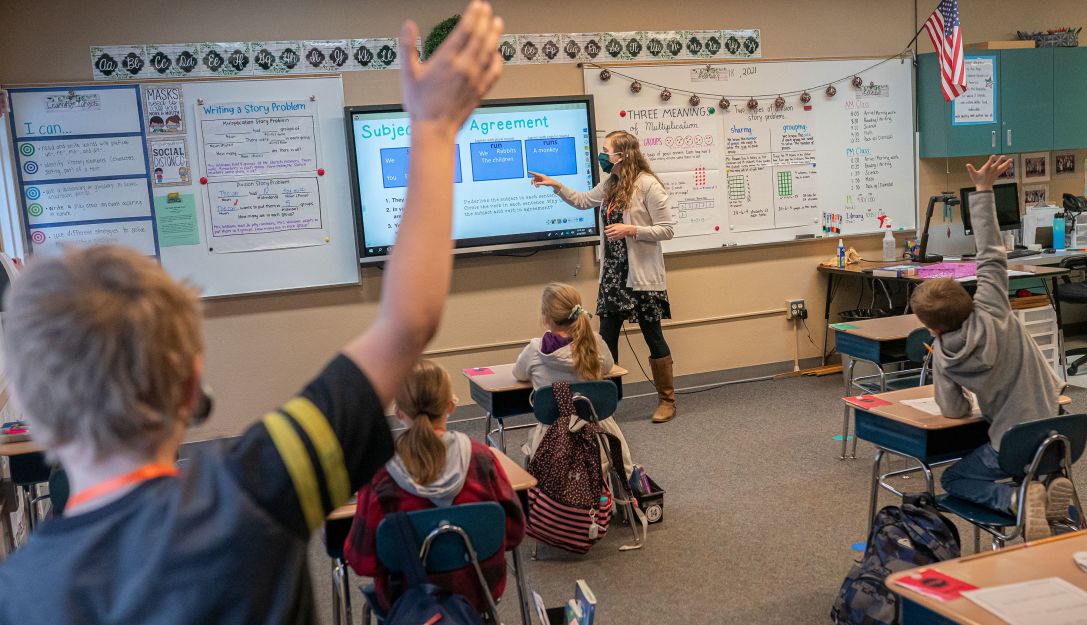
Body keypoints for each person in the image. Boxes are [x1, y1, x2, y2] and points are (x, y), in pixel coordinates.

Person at [0, 3, 504, 623]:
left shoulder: (15, 593)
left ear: (22, 400)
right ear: (191, 385)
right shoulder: (251, 489)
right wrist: (432, 129)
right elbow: (407, 323)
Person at [911, 155, 1070, 542]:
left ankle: (1016, 499)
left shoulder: (945, 358)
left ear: (932, 327)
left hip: (1011, 443)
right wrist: (983, 190)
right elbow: (990, 251)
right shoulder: (993, 305)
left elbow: (953, 410)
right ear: (969, 295)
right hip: (1061, 432)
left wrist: (964, 397)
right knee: (1038, 465)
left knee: (954, 478)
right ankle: (1047, 490)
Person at [344, 360, 524, 614]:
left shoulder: (379, 477)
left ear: (398, 412)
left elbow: (363, 561)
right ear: (451, 406)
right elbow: (514, 532)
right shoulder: (482, 459)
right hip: (477, 591)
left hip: (406, 599)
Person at [529, 131, 677, 423]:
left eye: (606, 151)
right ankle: (603, 404)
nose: (602, 156)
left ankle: (667, 400)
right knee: (605, 340)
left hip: (641, 277)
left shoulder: (648, 185)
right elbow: (584, 201)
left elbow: (667, 230)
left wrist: (631, 230)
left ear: (622, 155)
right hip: (613, 275)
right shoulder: (612, 183)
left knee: (653, 336)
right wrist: (556, 186)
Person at [513, 282, 633, 478]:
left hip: (553, 440)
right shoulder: (595, 342)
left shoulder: (535, 350)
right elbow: (609, 367)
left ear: (546, 316)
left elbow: (519, 374)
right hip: (599, 437)